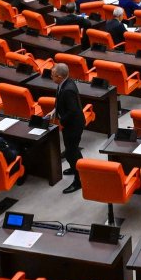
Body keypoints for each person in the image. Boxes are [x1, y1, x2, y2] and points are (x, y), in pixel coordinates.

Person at [51, 63, 85, 191]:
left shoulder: (68, 89)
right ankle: (73, 167)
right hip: (69, 124)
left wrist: (60, 120)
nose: (51, 77)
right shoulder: (63, 83)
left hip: (74, 126)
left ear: (59, 76)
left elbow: (73, 111)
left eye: (53, 75)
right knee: (71, 149)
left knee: (72, 151)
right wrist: (55, 110)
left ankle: (78, 180)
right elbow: (59, 100)